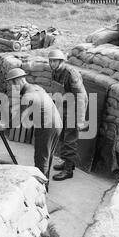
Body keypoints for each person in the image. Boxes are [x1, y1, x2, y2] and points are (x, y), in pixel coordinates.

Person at [6, 68, 62, 188]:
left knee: (41, 159)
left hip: (47, 127)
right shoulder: (35, 87)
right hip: (56, 123)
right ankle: (45, 184)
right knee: (47, 156)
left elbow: (17, 120)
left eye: (12, 85)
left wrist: (1, 126)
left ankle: (40, 190)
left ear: (18, 81)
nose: (12, 88)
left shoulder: (28, 95)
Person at [48, 49, 88, 181]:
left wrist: (81, 120)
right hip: (63, 107)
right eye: (51, 61)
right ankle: (67, 162)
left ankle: (68, 170)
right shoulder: (55, 72)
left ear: (61, 61)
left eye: (55, 61)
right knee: (63, 137)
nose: (52, 63)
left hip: (75, 108)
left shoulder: (71, 74)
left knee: (70, 139)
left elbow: (81, 97)